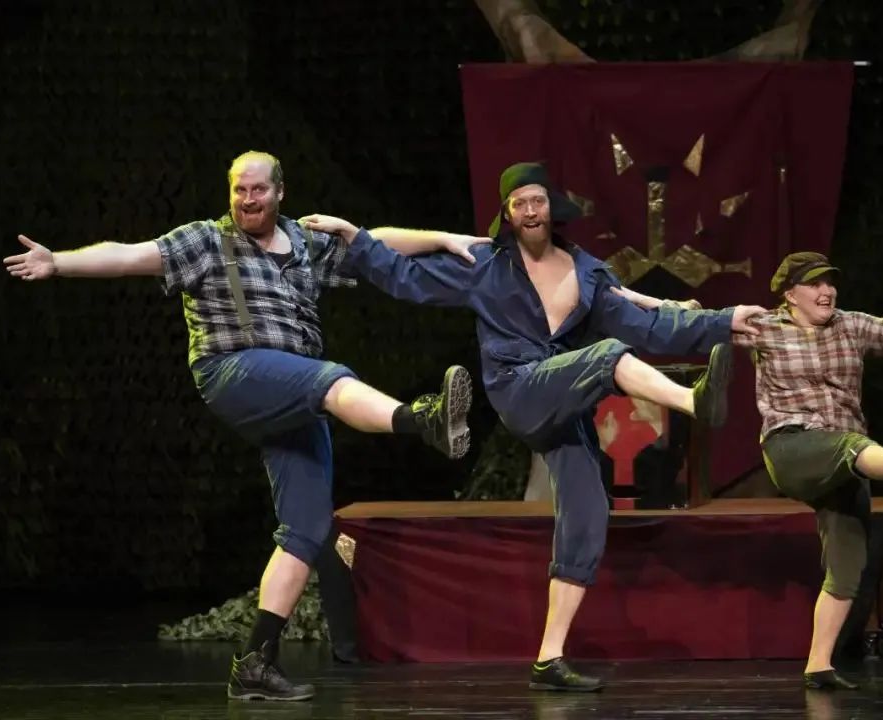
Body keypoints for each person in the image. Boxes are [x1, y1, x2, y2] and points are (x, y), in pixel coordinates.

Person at [3, 150, 488, 702]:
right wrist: (58, 262)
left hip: (296, 391)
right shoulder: (207, 241)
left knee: (306, 528)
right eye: (239, 190)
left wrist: (443, 238)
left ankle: (255, 661)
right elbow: (130, 254)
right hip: (235, 371)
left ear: (280, 192)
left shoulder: (303, 241)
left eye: (258, 190)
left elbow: (372, 243)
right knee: (331, 379)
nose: (248, 200)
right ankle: (422, 419)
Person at [302, 161, 767, 691]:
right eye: (518, 203)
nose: (529, 211)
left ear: (552, 207)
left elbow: (650, 324)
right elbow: (399, 273)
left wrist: (726, 320)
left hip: (561, 401)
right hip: (517, 388)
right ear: (507, 213)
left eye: (537, 201)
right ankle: (693, 402)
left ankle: (549, 658)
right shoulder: (487, 265)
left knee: (587, 510)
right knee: (607, 356)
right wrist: (362, 234)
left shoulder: (587, 272)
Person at [613, 251, 883, 690]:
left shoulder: (850, 325)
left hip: (846, 460)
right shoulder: (764, 327)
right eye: (814, 284)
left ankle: (818, 665)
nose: (826, 291)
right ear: (790, 295)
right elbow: (692, 316)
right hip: (793, 447)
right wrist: (627, 297)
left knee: (848, 566)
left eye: (830, 283)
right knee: (852, 448)